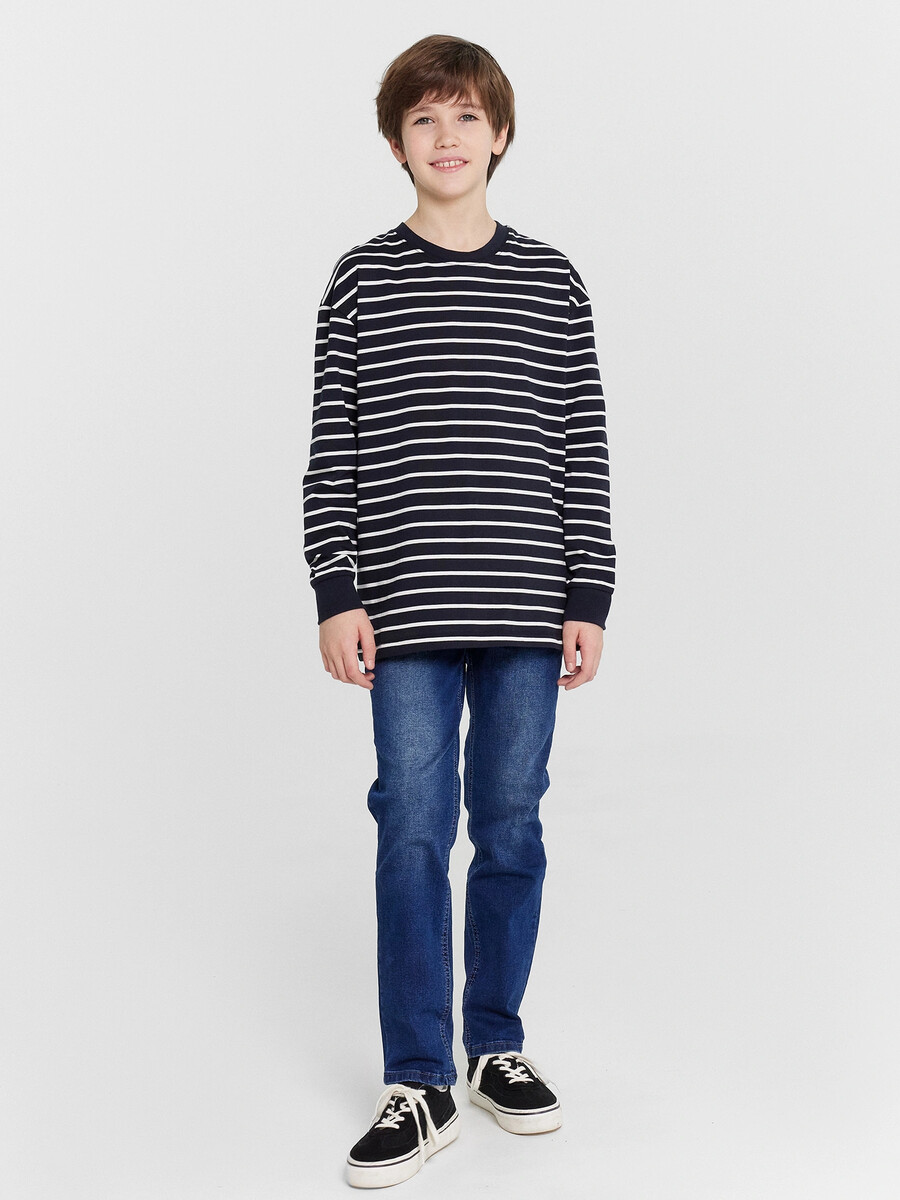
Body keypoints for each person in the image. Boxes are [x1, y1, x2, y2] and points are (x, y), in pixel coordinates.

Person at [302, 33, 616, 1190]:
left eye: (467, 116)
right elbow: (333, 450)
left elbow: (581, 448)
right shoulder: (361, 280)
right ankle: (419, 1077)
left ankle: (495, 1047)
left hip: (529, 608)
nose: (448, 137)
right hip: (405, 615)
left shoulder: (552, 281)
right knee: (414, 827)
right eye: (424, 119)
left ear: (501, 134)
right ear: (397, 144)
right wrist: (336, 590)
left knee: (513, 825)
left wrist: (589, 593)